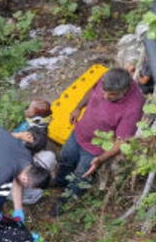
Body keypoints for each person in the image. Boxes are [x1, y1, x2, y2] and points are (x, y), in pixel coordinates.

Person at [52, 67, 145, 213]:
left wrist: (100, 159)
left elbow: (120, 142)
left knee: (81, 177)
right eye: (104, 91)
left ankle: (66, 201)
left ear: (125, 90)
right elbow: (91, 90)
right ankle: (60, 181)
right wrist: (78, 107)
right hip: (79, 133)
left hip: (94, 150)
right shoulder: (107, 78)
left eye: (112, 95)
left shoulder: (133, 107)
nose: (105, 96)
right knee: (65, 158)